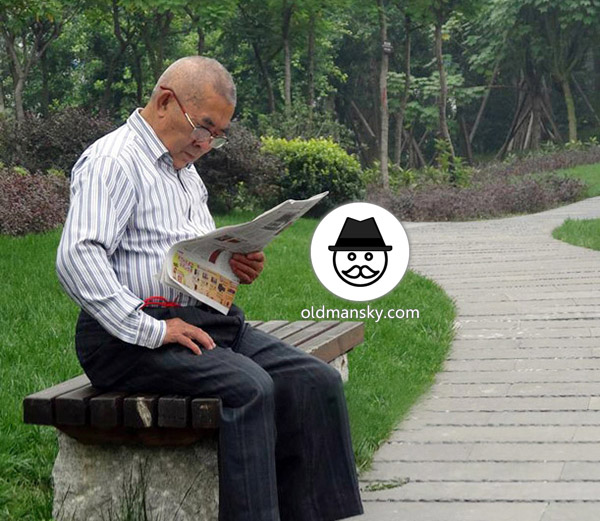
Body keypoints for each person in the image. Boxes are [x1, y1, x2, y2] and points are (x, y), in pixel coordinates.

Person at [56, 56, 364, 521]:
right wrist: (151, 331)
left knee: (313, 381)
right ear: (165, 102)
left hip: (199, 323)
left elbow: (188, 259)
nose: (206, 143)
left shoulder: (186, 174)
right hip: (126, 338)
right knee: (250, 388)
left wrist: (234, 264)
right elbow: (77, 257)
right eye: (203, 127)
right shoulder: (113, 161)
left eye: (217, 135)